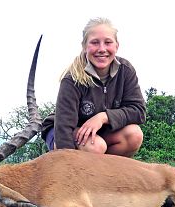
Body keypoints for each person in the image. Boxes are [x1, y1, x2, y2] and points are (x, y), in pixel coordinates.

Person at [42, 17, 146, 157]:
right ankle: (84, 173)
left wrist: (103, 117)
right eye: (95, 43)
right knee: (95, 147)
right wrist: (65, 160)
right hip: (63, 132)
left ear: (117, 45)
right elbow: (64, 128)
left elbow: (138, 111)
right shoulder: (72, 79)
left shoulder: (125, 70)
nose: (102, 49)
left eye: (108, 42)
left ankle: (105, 174)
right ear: (85, 46)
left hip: (99, 131)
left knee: (134, 135)